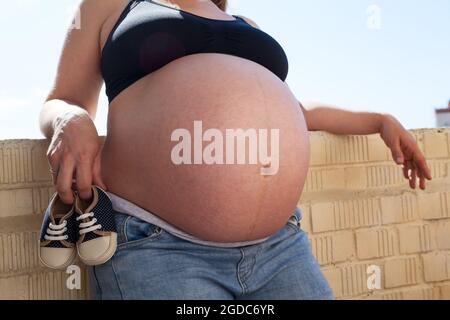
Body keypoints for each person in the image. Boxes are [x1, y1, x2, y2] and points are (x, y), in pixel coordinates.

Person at [39, 0, 432, 300]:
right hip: (158, 245)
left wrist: (378, 120)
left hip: (280, 246)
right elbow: (63, 98)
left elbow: (297, 112)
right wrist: (69, 120)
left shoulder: (246, 25)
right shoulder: (113, 6)